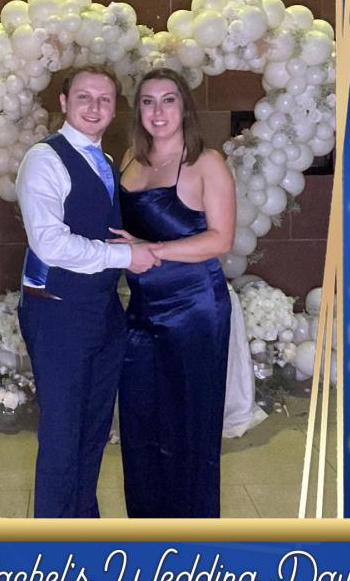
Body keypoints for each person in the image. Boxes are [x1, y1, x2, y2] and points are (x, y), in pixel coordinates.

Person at [16, 67, 160, 518]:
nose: (94, 107)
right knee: (62, 438)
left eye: (104, 99)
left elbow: (102, 226)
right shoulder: (44, 159)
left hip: (102, 311)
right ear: (63, 103)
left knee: (93, 433)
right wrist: (126, 257)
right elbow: (50, 244)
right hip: (58, 313)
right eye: (84, 97)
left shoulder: (106, 160)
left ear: (115, 107)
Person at [111, 69, 236, 518]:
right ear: (138, 110)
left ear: (185, 108)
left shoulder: (206, 162)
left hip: (194, 310)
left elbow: (221, 239)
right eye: (148, 101)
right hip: (142, 309)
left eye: (169, 100)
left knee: (189, 426)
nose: (158, 111)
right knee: (141, 423)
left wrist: (151, 250)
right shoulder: (130, 158)